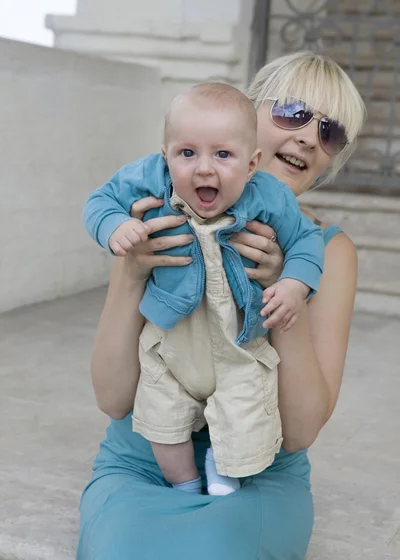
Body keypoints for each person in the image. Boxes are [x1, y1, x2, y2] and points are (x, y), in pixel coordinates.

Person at [77, 51, 365, 560]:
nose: (306, 136)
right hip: (145, 458)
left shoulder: (327, 252)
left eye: (331, 132)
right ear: (247, 115)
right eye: (293, 112)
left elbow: (299, 432)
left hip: (260, 472)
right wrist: (133, 268)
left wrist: (284, 291)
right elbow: (113, 398)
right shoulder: (161, 211)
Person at [82, 82, 324, 496]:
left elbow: (306, 240)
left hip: (239, 345)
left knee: (244, 414)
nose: (204, 168)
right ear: (166, 156)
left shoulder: (270, 197)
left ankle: (223, 475)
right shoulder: (150, 180)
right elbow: (100, 200)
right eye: (187, 153)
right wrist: (115, 227)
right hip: (170, 338)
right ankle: (185, 484)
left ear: (252, 165)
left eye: (223, 155)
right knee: (162, 418)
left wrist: (294, 284)